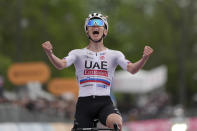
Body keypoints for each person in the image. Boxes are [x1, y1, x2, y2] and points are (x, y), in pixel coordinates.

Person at [42, 12, 153, 131]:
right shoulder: (77, 53)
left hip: (104, 102)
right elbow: (60, 65)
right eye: (91, 24)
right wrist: (50, 53)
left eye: (99, 24)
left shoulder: (114, 54)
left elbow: (132, 69)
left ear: (105, 31)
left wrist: (144, 58)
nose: (95, 26)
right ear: (87, 31)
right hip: (84, 103)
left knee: (117, 123)